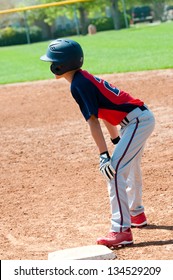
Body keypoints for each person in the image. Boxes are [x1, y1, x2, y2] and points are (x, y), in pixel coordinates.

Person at [40, 38, 155, 248]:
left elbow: (92, 121)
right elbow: (103, 113)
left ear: (61, 65)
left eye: (53, 62)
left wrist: (104, 156)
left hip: (137, 122)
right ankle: (136, 213)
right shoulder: (82, 78)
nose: (51, 66)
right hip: (137, 120)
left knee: (113, 171)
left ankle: (121, 230)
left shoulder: (78, 84)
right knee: (128, 166)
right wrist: (116, 141)